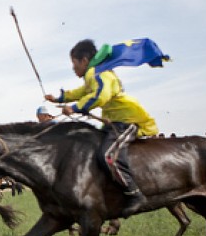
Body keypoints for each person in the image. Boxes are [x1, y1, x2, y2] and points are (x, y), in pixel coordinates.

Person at [45, 38, 160, 210]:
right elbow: (82, 92)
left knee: (107, 156)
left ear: (84, 61)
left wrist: (75, 107)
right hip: (113, 121)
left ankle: (135, 193)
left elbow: (100, 96)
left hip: (126, 120)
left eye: (74, 63)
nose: (73, 68)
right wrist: (59, 98)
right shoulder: (94, 74)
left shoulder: (99, 73)